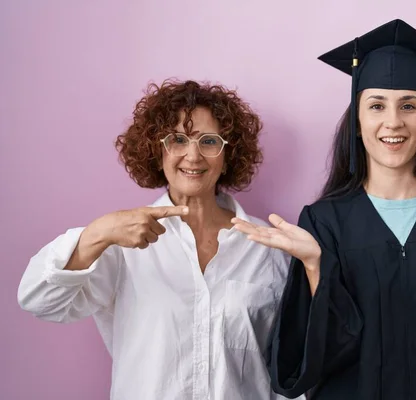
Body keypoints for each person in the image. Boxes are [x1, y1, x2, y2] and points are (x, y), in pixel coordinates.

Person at [232, 20, 416, 399]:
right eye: (376, 106)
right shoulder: (324, 223)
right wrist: (316, 267)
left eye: (409, 105)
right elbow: (303, 366)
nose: (393, 121)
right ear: (358, 123)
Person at [18, 79, 300, 400]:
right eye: (178, 140)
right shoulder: (120, 243)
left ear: (227, 154)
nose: (193, 156)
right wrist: (98, 233)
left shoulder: (268, 248)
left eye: (209, 141)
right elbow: (39, 300)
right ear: (157, 149)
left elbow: (286, 371)